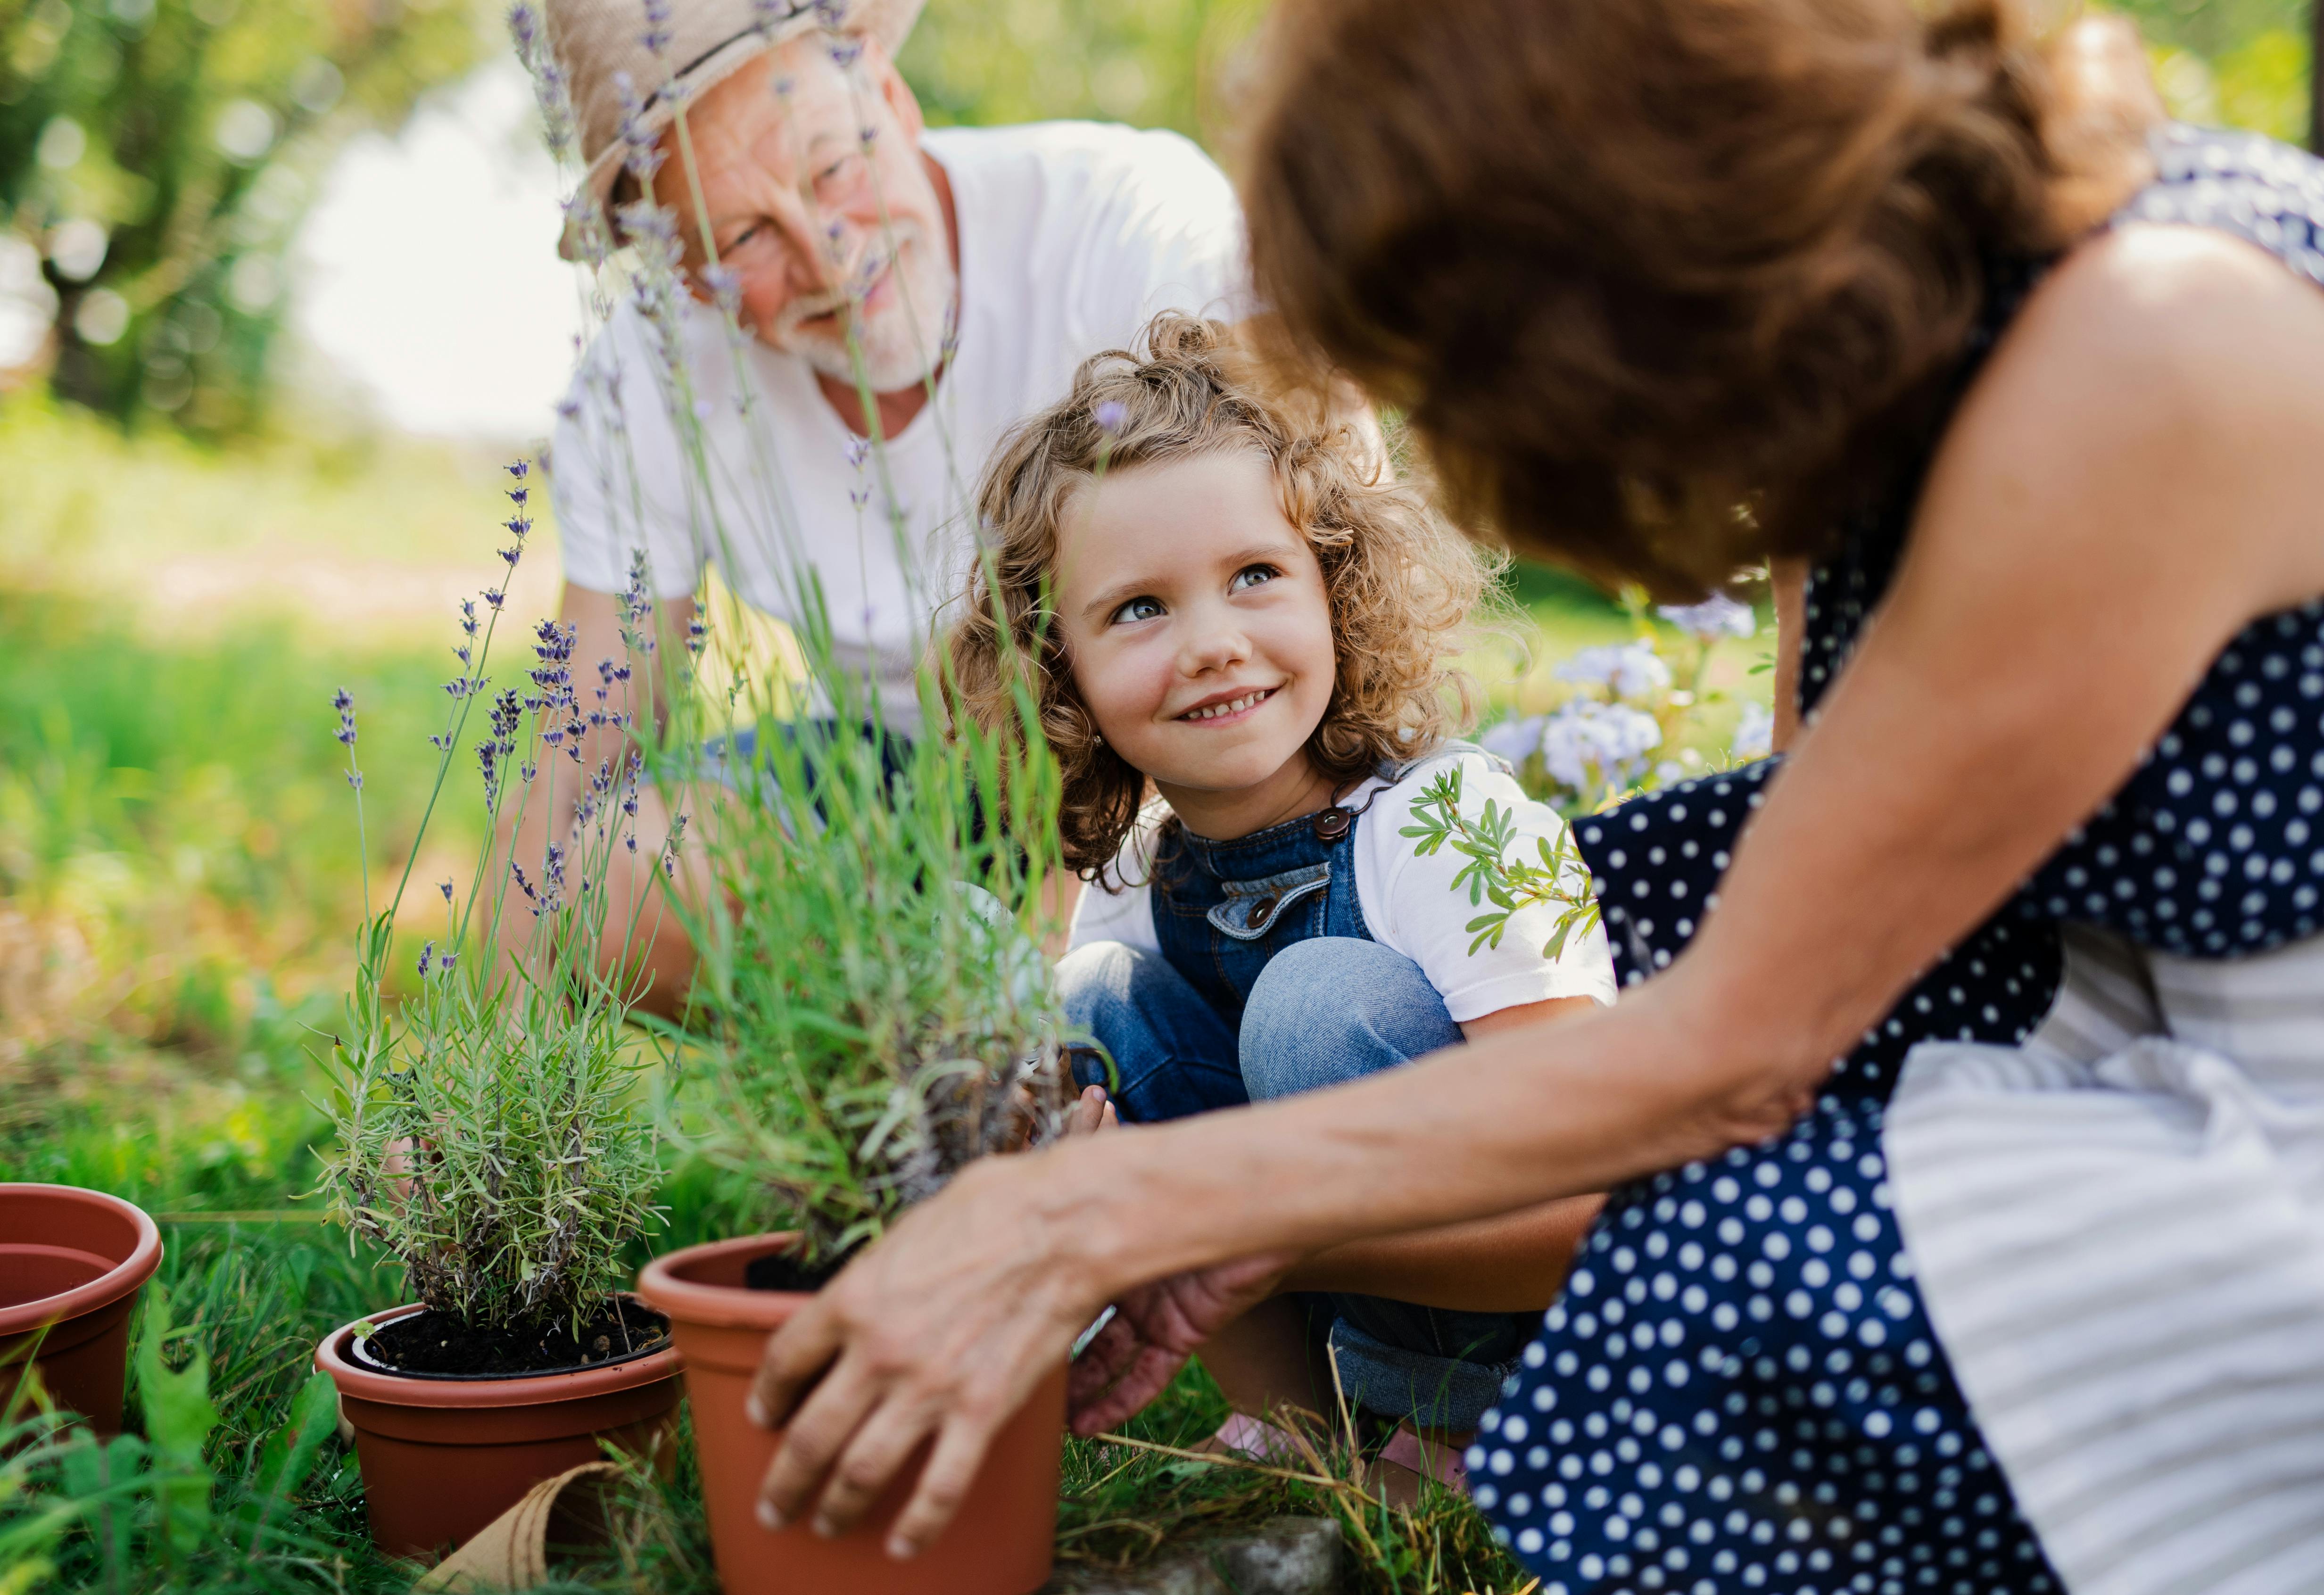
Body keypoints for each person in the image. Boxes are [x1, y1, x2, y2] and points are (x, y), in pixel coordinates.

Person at [741, 2, 2324, 1591]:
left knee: (1716, 1270)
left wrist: (1097, 1213)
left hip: (2272, 1142)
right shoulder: (1922, 339)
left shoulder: (2149, 348)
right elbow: (1804, 835)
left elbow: (1732, 1053)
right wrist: (1207, 1204)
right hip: (2109, 1000)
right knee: (1597, 892)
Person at [943, 314, 1616, 1493]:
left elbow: (1595, 1214)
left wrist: (1237, 1223)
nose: (1211, 644)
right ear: (1063, 670)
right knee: (1089, 1001)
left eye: (1253, 576)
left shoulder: (1450, 827)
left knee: (1312, 998)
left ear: (1335, 590)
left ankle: (1442, 1452)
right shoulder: (1148, 875)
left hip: (1560, 1367)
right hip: (1306, 1256)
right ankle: (1298, 1443)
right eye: (1138, 609)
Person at [520, 0, 1246, 998]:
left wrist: (1058, 917)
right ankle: (920, 1082)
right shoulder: (640, 382)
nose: (828, 259)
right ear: (679, 269)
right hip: (897, 787)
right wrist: (480, 1058)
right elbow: (582, 725)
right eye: (744, 234)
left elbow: (1292, 559)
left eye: (832, 171)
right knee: (617, 875)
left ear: (888, 93)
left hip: (1179, 752)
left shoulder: (1118, 218)